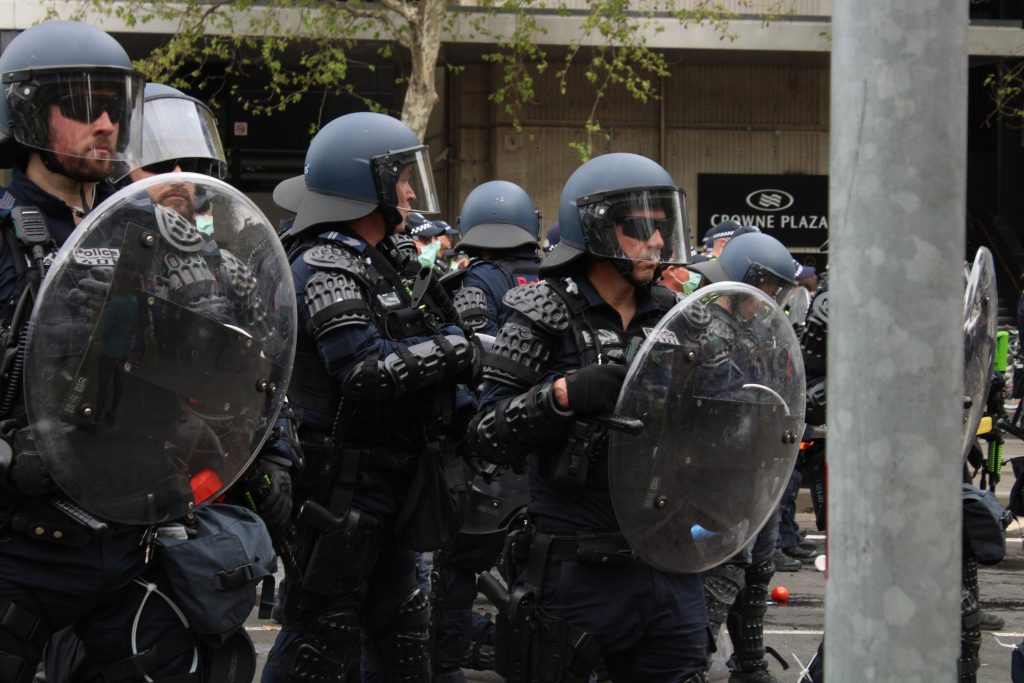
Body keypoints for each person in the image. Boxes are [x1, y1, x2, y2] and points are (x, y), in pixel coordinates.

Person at [0, 23, 287, 683]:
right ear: (28, 113)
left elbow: (239, 354)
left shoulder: (156, 233)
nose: (103, 123)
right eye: (80, 105)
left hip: (131, 540)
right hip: (22, 547)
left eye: (114, 106)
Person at [466, 152, 709, 682]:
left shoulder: (675, 316)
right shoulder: (542, 312)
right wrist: (562, 396)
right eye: (641, 228)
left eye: (663, 229)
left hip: (669, 565)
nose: (658, 244)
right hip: (580, 571)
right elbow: (484, 433)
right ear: (597, 228)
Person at [263, 111, 479, 683]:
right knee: (322, 634)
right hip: (343, 488)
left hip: (395, 478)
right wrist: (455, 352)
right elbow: (360, 372)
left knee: (405, 634)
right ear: (365, 187)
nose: (410, 191)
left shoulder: (384, 261)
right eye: (400, 178)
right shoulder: (325, 262)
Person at [430, 179, 543, 681]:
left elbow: (477, 358)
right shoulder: (551, 279)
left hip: (490, 452)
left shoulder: (476, 282)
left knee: (457, 569)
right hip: (542, 447)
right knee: (539, 574)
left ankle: (447, 665)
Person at [689, 232, 802, 683]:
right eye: (769, 286)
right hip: (723, 471)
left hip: (761, 466)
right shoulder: (707, 329)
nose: (770, 298)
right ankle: (691, 662)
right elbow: (720, 399)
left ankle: (749, 661)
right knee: (726, 568)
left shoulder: (758, 328)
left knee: (759, 569)